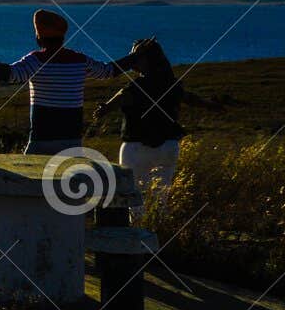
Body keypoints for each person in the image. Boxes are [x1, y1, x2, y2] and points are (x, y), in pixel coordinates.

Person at [0, 9, 143, 154]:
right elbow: (108, 71)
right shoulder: (80, 60)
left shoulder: (36, 60)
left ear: (39, 37)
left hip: (41, 141)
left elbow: (8, 74)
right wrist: (135, 56)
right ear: (62, 36)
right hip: (72, 142)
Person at [94, 37, 221, 214]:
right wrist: (210, 105)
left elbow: (122, 97)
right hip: (168, 145)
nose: (131, 60)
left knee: (135, 199)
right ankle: (158, 233)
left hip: (136, 146)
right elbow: (191, 98)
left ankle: (140, 234)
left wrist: (105, 108)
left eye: (135, 56)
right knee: (160, 199)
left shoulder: (137, 86)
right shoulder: (172, 84)